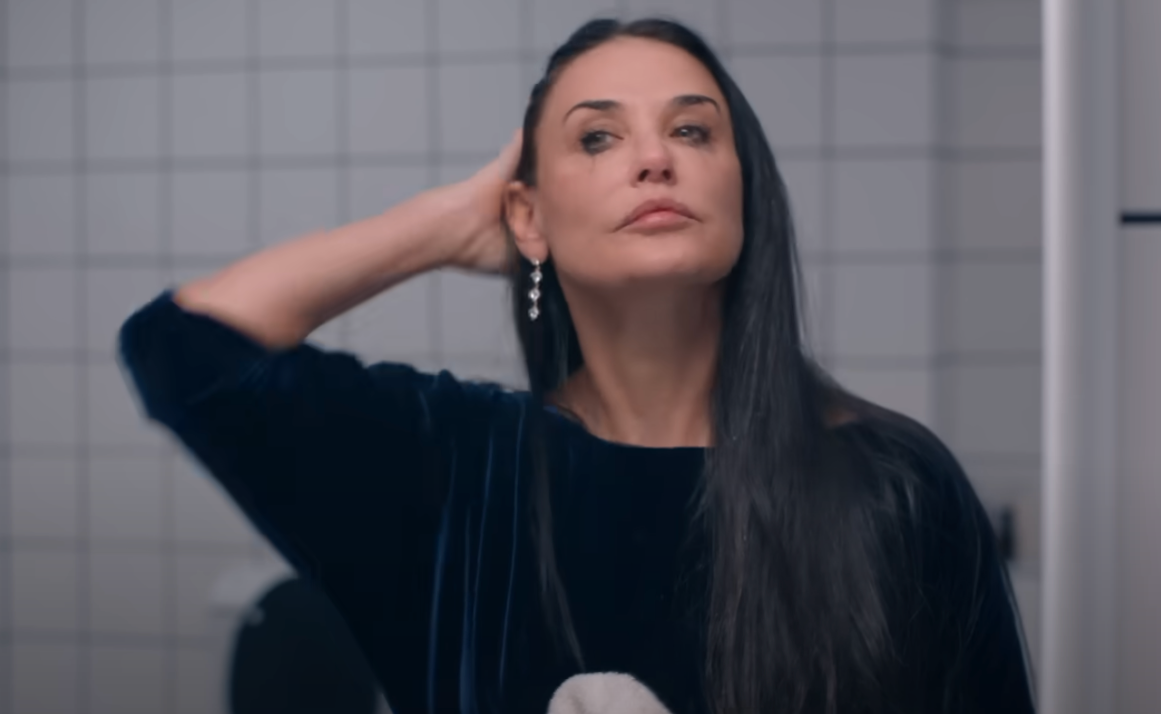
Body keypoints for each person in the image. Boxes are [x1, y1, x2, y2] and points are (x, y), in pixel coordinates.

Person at [118, 17, 1036, 714]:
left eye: (691, 132)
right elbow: (181, 349)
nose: (651, 159)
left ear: (743, 191)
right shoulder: (452, 472)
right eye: (597, 137)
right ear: (528, 216)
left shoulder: (895, 488)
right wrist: (447, 224)